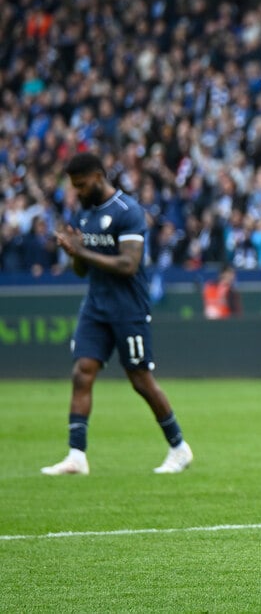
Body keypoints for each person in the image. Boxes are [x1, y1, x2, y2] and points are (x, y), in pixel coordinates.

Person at [42, 152, 193, 476]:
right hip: (96, 305)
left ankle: (179, 447)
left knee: (140, 380)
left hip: (128, 308)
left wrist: (83, 251)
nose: (78, 192)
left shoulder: (128, 211)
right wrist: (74, 252)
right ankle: (76, 456)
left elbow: (129, 264)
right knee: (82, 371)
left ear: (99, 176)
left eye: (81, 185)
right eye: (74, 187)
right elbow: (82, 270)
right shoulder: (85, 214)